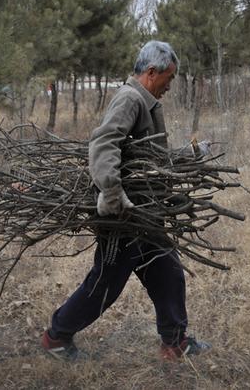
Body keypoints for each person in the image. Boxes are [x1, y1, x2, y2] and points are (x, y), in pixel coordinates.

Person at [41, 41, 211, 362]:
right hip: (123, 217)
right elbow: (104, 143)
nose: (171, 86)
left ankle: (175, 342)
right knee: (104, 284)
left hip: (143, 216)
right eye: (169, 78)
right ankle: (57, 336)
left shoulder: (146, 103)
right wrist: (112, 192)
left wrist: (191, 155)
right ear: (151, 72)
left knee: (168, 271)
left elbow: (151, 159)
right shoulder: (130, 99)